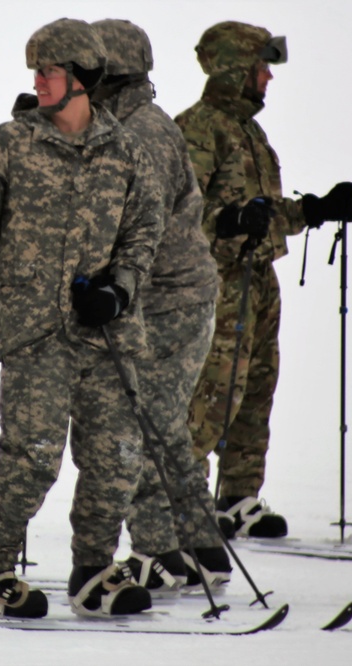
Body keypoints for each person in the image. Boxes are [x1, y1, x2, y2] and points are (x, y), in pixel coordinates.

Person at [0, 18, 165, 619]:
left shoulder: (126, 150)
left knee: (115, 459)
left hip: (106, 336)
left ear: (81, 79)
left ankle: (93, 571)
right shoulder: (11, 143)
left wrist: (119, 290)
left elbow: (144, 232)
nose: (37, 81)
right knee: (32, 459)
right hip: (36, 336)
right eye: (36, 70)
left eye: (49, 71)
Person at [175, 21, 352, 539]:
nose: (268, 78)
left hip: (257, 281)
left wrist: (315, 209)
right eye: (261, 67)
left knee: (255, 390)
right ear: (236, 69)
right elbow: (176, 217)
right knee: (208, 397)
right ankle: (178, 509)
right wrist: (230, 222)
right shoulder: (197, 129)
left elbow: (261, 211)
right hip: (212, 286)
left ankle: (237, 497)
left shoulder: (250, 132)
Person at [87, 19, 230, 596]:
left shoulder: (140, 133)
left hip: (166, 302)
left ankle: (162, 552)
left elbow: (118, 221)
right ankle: (195, 547)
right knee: (162, 426)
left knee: (145, 424)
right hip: (176, 296)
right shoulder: (135, 123)